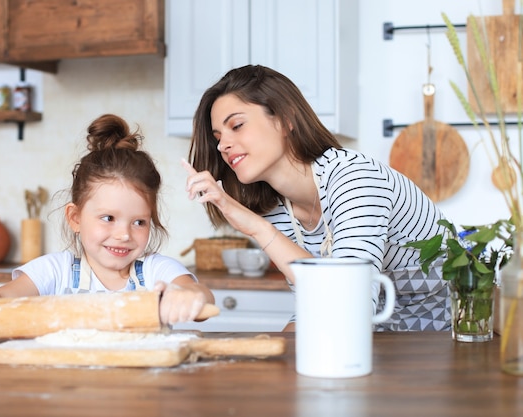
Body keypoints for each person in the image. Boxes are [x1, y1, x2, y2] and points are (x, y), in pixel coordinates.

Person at [182, 64, 450, 332]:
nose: (222, 145)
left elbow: (350, 306)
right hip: (370, 344)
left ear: (286, 119)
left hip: (438, 342)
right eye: (218, 137)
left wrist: (255, 227)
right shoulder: (275, 209)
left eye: (237, 125)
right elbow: (319, 306)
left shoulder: (355, 179)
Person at [0, 114, 214, 335]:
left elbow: (202, 296)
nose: (123, 235)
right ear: (75, 218)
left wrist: (186, 295)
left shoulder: (156, 272)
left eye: (139, 222)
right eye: (108, 218)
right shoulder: (54, 272)